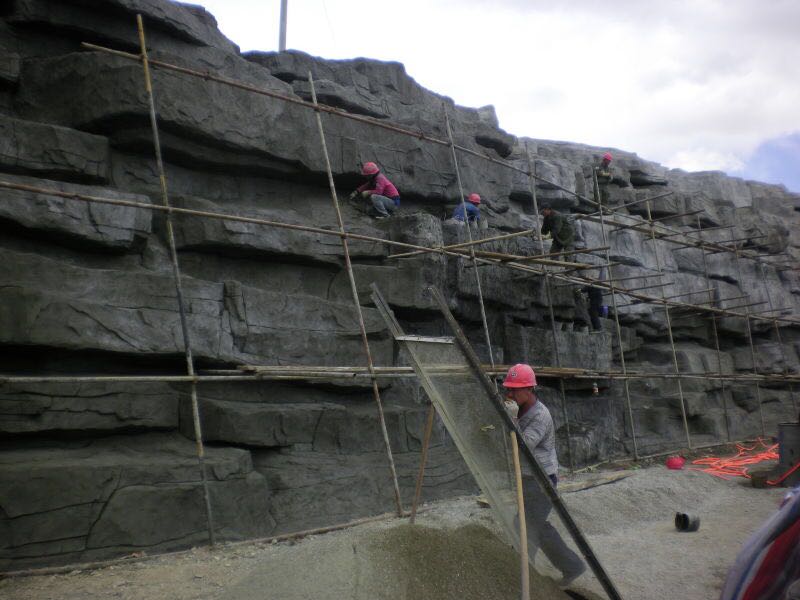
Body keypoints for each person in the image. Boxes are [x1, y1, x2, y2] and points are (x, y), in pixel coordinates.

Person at [503, 363, 586, 587]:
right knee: (535, 525)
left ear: (529, 389)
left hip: (542, 479)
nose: (509, 394)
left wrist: (511, 420)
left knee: (527, 525)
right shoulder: (518, 408)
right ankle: (572, 566)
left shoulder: (540, 415)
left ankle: (523, 574)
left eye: (514, 390)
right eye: (508, 389)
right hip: (528, 477)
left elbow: (525, 444)